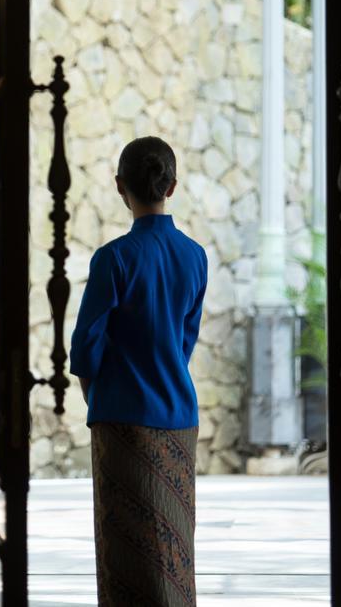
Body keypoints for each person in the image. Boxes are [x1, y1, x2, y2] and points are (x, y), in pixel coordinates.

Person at [69, 135, 209, 607]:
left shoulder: (113, 258)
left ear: (119, 186)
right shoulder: (194, 256)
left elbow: (86, 345)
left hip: (122, 420)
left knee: (125, 556)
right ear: (171, 187)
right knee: (172, 549)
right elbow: (184, 339)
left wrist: (98, 391)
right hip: (178, 420)